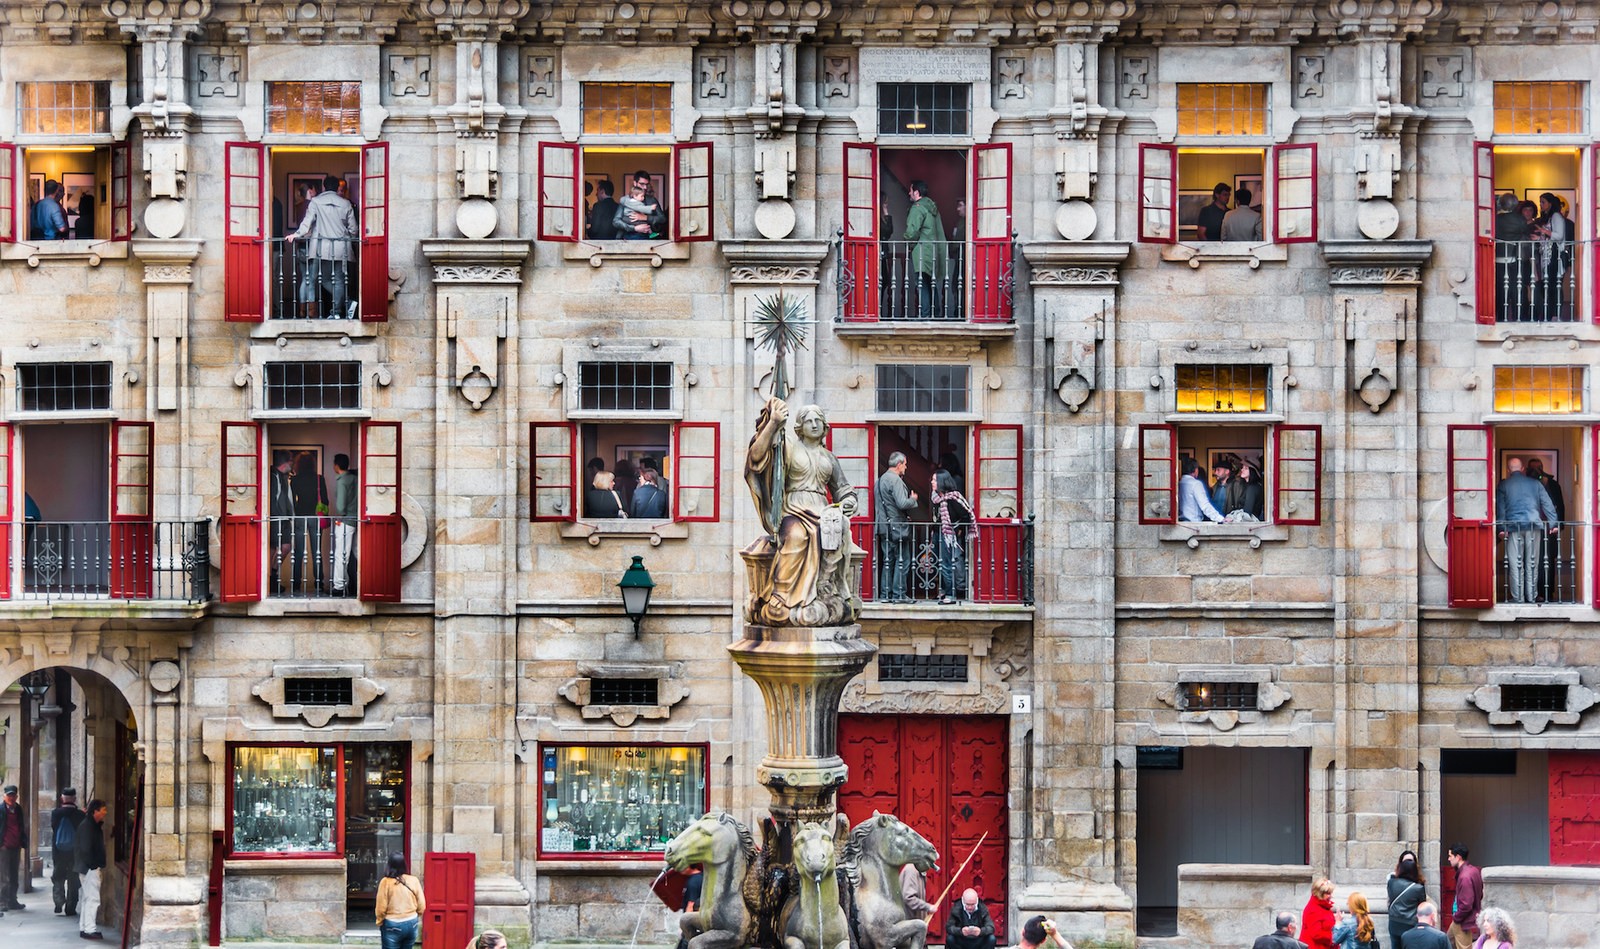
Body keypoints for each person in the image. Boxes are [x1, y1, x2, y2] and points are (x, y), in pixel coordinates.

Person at [744, 399, 860, 627]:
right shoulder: (787, 446)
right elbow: (756, 457)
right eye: (809, 421)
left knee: (836, 530)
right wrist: (773, 423)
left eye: (818, 421)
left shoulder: (829, 457)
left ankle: (824, 587)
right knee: (796, 536)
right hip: (794, 507)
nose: (814, 425)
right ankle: (781, 596)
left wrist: (848, 501)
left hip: (822, 509)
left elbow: (843, 489)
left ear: (825, 426)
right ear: (799, 426)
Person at [286, 172, 359, 318]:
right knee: (339, 280)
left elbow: (306, 223)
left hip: (322, 248)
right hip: (341, 248)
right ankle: (338, 311)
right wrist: (350, 240)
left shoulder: (315, 202)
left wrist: (296, 234)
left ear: (324, 187)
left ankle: (346, 303)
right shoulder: (346, 204)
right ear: (337, 188)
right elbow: (353, 229)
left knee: (324, 279)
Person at [1495, 458, 1558, 604]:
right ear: (1523, 468)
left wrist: (1501, 528)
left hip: (1514, 527)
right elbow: (1547, 504)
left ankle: (1518, 598)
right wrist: (1553, 523)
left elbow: (1501, 509)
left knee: (1516, 564)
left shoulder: (1504, 485)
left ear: (1509, 470)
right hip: (1533, 526)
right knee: (1532, 563)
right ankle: (1531, 596)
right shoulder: (1535, 484)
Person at [874, 451, 919, 603]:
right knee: (902, 561)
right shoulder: (895, 480)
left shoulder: (879, 480)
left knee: (888, 561)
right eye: (905, 464)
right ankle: (899, 594)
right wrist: (913, 499)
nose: (906, 467)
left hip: (883, 527)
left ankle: (885, 595)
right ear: (899, 465)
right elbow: (902, 503)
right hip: (897, 527)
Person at [902, 180, 947, 319]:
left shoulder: (917, 208)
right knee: (931, 284)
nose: (909, 193)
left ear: (916, 192)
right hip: (933, 251)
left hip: (921, 252)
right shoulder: (931, 207)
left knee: (922, 284)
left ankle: (925, 315)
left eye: (911, 190)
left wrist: (907, 243)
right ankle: (935, 314)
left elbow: (912, 232)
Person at [931, 469, 976, 604]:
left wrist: (958, 530)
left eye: (934, 480)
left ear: (941, 482)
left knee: (947, 564)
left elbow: (966, 516)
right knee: (938, 562)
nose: (932, 482)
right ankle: (943, 591)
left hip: (949, 536)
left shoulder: (953, 498)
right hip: (938, 533)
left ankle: (951, 594)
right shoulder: (936, 498)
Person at [1523, 456, 1565, 601]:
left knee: (1548, 561)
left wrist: (1557, 526)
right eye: (1533, 468)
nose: (1536, 471)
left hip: (1548, 529)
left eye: (1538, 468)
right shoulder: (1524, 484)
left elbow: (1559, 506)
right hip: (1529, 527)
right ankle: (1529, 592)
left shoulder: (1552, 484)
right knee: (1528, 559)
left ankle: (1547, 592)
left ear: (1542, 469)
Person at [1531, 191, 1573, 320]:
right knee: (1549, 285)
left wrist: (1544, 231)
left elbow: (1559, 236)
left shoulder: (1556, 216)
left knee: (1554, 285)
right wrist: (1539, 238)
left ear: (1550, 203)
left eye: (1543, 202)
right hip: (1548, 256)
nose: (1541, 205)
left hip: (1555, 255)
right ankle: (1551, 314)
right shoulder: (1550, 217)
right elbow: (1550, 239)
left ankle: (1555, 314)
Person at [292, 451, 329, 594]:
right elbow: (325, 500)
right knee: (316, 551)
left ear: (299, 464)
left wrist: (295, 512)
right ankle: (319, 583)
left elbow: (292, 500)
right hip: (315, 516)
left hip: (300, 516)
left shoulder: (295, 480)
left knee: (299, 551)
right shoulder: (319, 478)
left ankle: (296, 584)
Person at [375, 852, 426, 949]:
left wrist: (380, 921)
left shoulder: (385, 882)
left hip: (393, 923)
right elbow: (422, 905)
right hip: (412, 921)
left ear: (389, 865)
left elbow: (381, 908)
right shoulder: (413, 880)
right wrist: (415, 915)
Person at [1492, 192, 1530, 321]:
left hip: (1497, 259)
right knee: (1516, 290)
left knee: (1500, 291)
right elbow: (1525, 234)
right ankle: (1517, 317)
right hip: (1514, 258)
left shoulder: (1496, 219)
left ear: (1501, 204)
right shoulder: (1520, 219)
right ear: (1515, 205)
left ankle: (1501, 317)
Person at [75, 798, 108, 940]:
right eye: (103, 810)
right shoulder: (88, 826)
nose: (105, 812)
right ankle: (89, 929)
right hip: (89, 868)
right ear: (95, 811)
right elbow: (85, 849)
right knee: (93, 899)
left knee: (87, 898)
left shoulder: (90, 825)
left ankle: (85, 927)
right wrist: (93, 866)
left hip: (86, 867)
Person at [50, 787, 86, 917]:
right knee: (73, 879)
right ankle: (70, 907)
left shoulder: (56, 813)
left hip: (59, 851)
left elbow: (54, 828)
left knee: (58, 877)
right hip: (74, 853)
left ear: (62, 798)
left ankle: (58, 901)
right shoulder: (80, 815)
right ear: (74, 799)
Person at [1387, 849, 1427, 949]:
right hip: (1410, 924)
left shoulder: (1391, 883)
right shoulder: (1418, 888)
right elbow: (1422, 905)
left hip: (1394, 922)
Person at [1446, 844, 1483, 949]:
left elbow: (1466, 905)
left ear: (1458, 857)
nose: (1448, 859)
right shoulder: (1473, 871)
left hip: (1462, 921)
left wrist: (1457, 917)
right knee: (1447, 942)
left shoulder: (1465, 876)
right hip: (1461, 919)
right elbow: (1480, 894)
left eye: (1450, 856)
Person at [331, 453, 358, 597]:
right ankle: (357, 583)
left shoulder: (342, 481)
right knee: (355, 553)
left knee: (341, 554)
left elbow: (341, 507)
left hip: (346, 521)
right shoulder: (354, 478)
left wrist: (339, 516)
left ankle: (339, 586)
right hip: (356, 519)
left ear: (336, 465)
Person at [270, 451, 297, 593]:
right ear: (285, 462)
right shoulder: (273, 476)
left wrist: (290, 516)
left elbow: (288, 499)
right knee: (274, 549)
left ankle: (273, 576)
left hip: (285, 519)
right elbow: (272, 499)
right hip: (277, 519)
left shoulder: (284, 477)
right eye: (291, 461)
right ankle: (271, 580)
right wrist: (278, 515)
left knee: (285, 547)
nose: (292, 464)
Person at [614, 170, 666, 240]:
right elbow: (616, 221)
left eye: (647, 184)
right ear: (635, 183)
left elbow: (662, 219)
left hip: (648, 240)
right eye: (642, 184)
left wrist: (646, 218)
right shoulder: (625, 200)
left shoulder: (652, 200)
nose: (645, 187)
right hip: (626, 239)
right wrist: (634, 228)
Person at [0, 784, 25, 911]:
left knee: (14, 874)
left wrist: (22, 841)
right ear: (4, 796)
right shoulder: (1, 810)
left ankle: (12, 900)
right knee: (4, 876)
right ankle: (2, 902)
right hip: (4, 847)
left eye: (13, 795)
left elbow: (21, 826)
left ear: (17, 796)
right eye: (9, 795)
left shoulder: (18, 809)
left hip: (16, 845)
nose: (11, 798)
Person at [1178, 457, 1225, 523]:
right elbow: (1205, 505)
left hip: (1180, 522)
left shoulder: (1179, 483)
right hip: (1193, 523)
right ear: (1196, 470)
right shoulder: (1196, 484)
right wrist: (1221, 519)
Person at [1302, 878, 1336, 949]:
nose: (1330, 896)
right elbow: (1316, 934)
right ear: (1319, 893)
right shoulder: (1313, 909)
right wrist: (1334, 936)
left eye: (1330, 893)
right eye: (1328, 893)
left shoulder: (1323, 907)